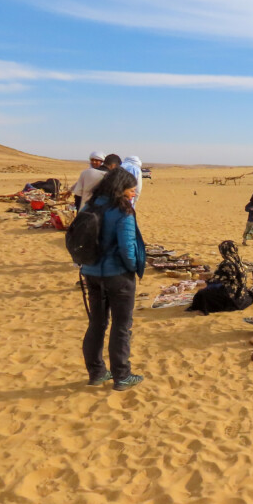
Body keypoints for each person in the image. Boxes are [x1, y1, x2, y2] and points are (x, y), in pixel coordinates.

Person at [80, 167, 146, 392]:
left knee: (97, 324)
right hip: (118, 277)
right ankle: (122, 376)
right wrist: (134, 268)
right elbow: (128, 248)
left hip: (91, 274)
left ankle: (97, 372)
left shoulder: (91, 204)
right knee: (121, 326)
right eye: (131, 190)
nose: (134, 194)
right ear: (121, 189)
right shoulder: (122, 210)